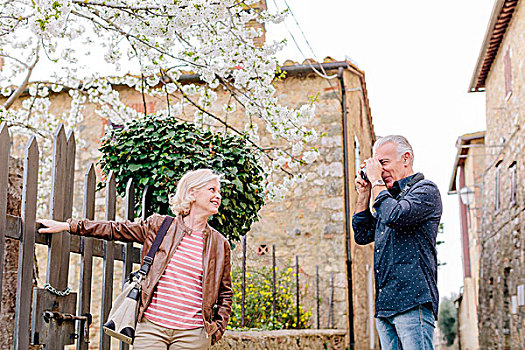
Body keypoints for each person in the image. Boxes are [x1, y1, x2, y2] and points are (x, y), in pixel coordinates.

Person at [38, 169, 232, 350]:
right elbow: (116, 229)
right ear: (192, 193)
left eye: (219, 192)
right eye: (212, 190)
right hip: (151, 327)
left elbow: (225, 292)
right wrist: (69, 226)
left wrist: (217, 328)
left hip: (193, 334)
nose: (218, 196)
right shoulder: (160, 226)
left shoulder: (219, 244)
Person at [352, 135, 442, 350]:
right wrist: (364, 194)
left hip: (413, 302)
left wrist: (376, 183)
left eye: (384, 163)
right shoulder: (387, 199)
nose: (380, 171)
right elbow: (362, 234)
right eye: (377, 165)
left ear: (406, 159)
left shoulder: (425, 190)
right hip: (385, 305)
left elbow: (396, 216)